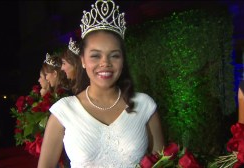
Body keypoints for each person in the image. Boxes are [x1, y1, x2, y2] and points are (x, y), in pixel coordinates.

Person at [38, 0, 164, 167]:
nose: (105, 63)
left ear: (123, 60)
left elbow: (163, 162)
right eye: (95, 56)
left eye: (114, 55)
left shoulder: (144, 105)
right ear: (82, 60)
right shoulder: (64, 111)